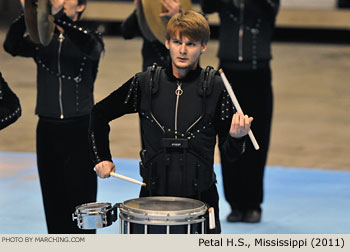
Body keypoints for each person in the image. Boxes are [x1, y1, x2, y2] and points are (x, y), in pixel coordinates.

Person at [89, 10, 253, 234]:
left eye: (191, 44)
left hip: (202, 201)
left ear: (203, 46)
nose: (183, 50)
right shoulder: (145, 83)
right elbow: (99, 113)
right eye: (177, 42)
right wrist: (102, 158)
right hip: (152, 201)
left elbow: (231, 155)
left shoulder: (217, 87)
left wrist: (236, 138)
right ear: (167, 43)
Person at [3, 0, 104, 233]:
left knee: (83, 201)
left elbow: (92, 48)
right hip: (48, 128)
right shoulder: (42, 41)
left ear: (80, 6)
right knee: (53, 198)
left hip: (80, 128)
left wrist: (53, 16)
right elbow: (11, 46)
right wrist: (28, 11)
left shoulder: (91, 34)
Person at [201, 0, 280, 223]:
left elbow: (268, 9)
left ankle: (253, 203)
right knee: (227, 136)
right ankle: (235, 203)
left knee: (258, 138)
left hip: (258, 73)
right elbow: (207, 5)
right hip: (228, 73)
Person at [121, 0, 181, 70]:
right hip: (151, 69)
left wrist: (179, 16)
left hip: (177, 69)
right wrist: (138, 10)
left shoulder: (182, 10)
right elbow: (126, 33)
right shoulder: (148, 11)